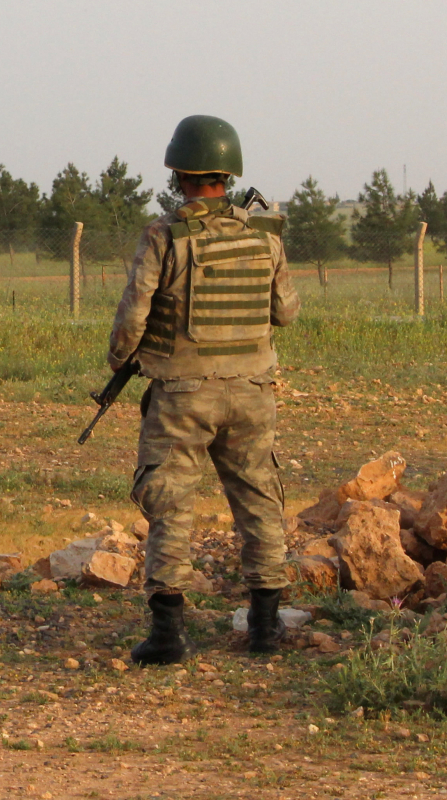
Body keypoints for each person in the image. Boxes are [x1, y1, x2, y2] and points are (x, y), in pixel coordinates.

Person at [108, 115, 300, 665]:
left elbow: (132, 319)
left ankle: (168, 638)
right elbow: (286, 312)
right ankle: (265, 629)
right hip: (253, 392)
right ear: (228, 172)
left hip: (182, 395)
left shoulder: (164, 235)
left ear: (178, 176)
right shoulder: (265, 233)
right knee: (259, 502)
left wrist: (122, 361)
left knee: (170, 505)